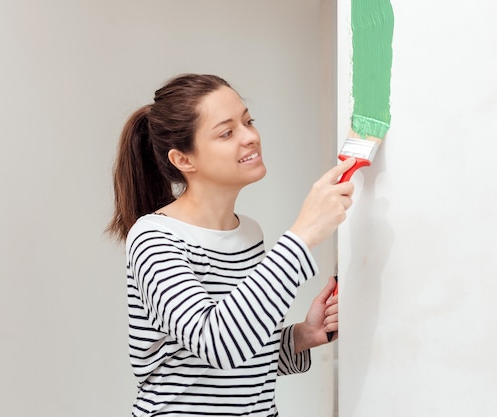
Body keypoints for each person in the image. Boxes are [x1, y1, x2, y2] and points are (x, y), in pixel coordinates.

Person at [107, 73, 355, 417]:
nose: (250, 137)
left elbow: (236, 363)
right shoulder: (154, 238)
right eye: (227, 132)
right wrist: (303, 235)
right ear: (184, 160)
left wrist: (302, 336)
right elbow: (217, 344)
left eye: (248, 121)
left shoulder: (249, 234)